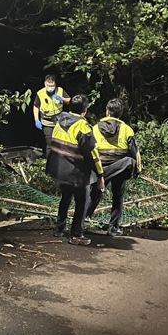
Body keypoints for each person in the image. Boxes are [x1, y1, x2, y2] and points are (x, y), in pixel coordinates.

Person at [47, 93, 104, 246]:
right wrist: (100, 174)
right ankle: (76, 234)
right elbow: (92, 153)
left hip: (59, 168)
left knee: (65, 197)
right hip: (75, 171)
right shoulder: (83, 126)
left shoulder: (60, 121)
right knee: (82, 201)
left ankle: (59, 228)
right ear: (84, 110)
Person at [87, 98, 141, 236]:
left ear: (107, 111)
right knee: (118, 197)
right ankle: (113, 227)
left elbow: (90, 149)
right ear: (120, 113)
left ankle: (84, 219)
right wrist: (137, 170)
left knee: (96, 193)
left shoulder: (95, 128)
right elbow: (135, 152)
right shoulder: (127, 130)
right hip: (120, 168)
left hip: (101, 169)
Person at [33, 74, 71, 154]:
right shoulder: (40, 93)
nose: (50, 88)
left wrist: (62, 98)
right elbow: (36, 106)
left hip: (59, 122)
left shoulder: (60, 91)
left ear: (55, 84)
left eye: (52, 86)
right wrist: (36, 119)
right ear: (45, 84)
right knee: (50, 143)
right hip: (47, 123)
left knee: (61, 142)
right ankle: (50, 163)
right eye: (48, 86)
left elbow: (70, 101)